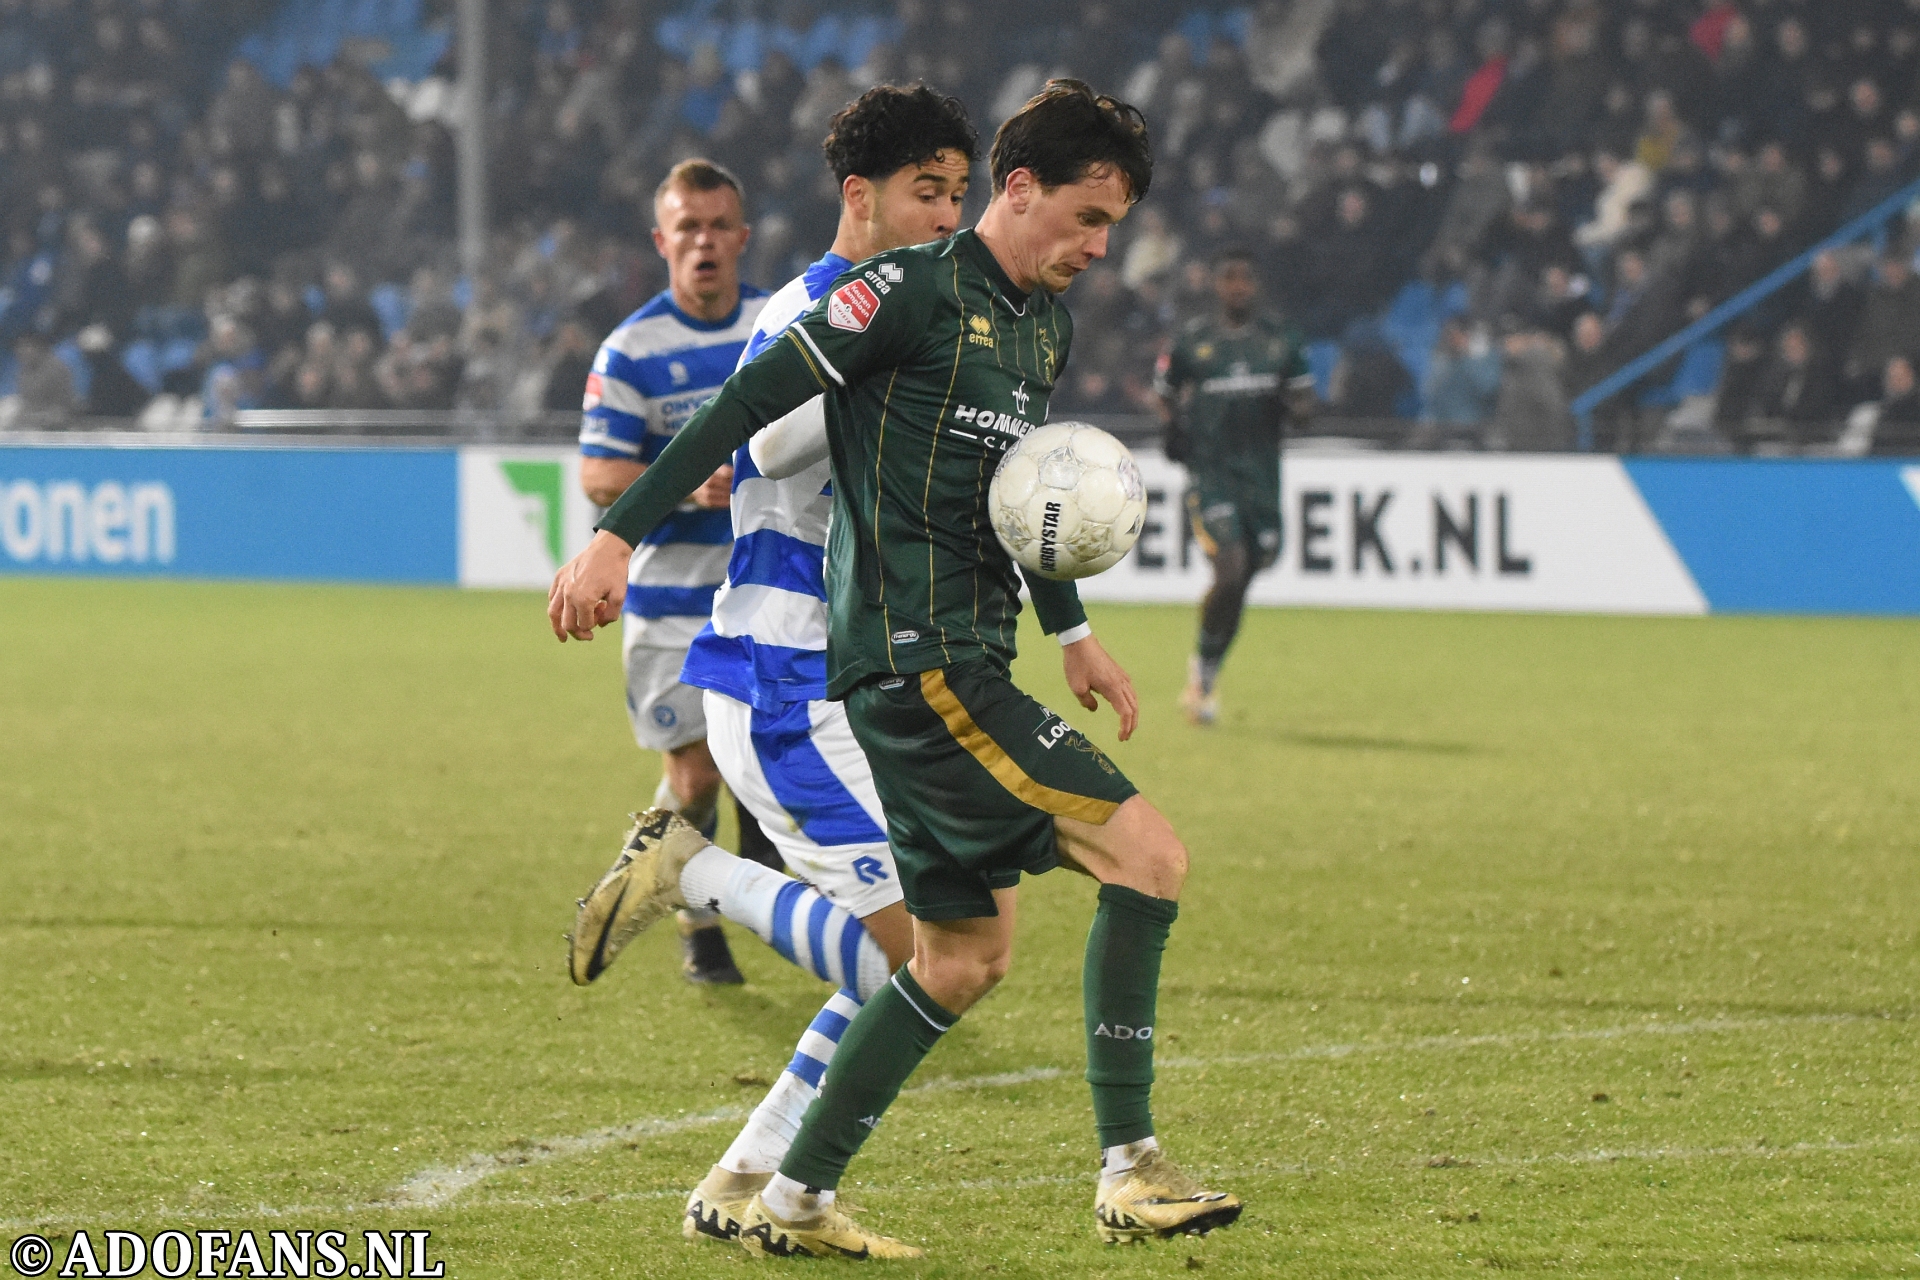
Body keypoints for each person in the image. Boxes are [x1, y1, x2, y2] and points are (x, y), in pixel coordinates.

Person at [549, 80, 1241, 1258]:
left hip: (933, 659)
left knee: (958, 956)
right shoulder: (886, 298)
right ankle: (1127, 1161)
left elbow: (1022, 492)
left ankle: (782, 1186)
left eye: (1112, 227)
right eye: (1085, 218)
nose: (1100, 248)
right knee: (1144, 857)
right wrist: (620, 532)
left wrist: (1070, 629)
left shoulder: (1036, 326)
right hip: (875, 666)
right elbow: (747, 419)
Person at [566, 82, 979, 1247]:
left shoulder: (909, 307)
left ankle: (752, 1182)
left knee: (919, 953)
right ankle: (694, 869)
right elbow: (765, 437)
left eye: (959, 195)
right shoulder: (816, 306)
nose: (948, 218)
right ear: (862, 197)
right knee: (925, 955)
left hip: (853, 675)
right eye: (926, 194)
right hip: (786, 674)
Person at [575, 159, 771, 984]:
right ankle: (696, 921)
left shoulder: (776, 326)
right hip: (669, 601)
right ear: (662, 242)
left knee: (757, 767)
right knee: (693, 779)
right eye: (687, 228)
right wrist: (684, 481)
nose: (704, 243)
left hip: (769, 593)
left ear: (741, 237)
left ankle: (730, 888)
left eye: (718, 226)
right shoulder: (632, 352)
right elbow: (598, 473)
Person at [1153, 248, 1313, 725]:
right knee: (1230, 569)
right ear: (1217, 285)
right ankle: (1201, 674)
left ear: (1256, 285)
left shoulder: (1280, 341)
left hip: (1262, 479)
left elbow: (1305, 400)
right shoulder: (1193, 341)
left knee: (1243, 581)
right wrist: (1173, 427)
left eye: (1245, 279)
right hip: (1212, 473)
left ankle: (1206, 667)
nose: (1237, 287)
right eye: (1229, 278)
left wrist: (1296, 409)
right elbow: (1163, 391)